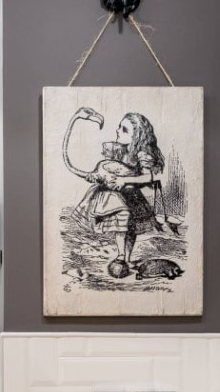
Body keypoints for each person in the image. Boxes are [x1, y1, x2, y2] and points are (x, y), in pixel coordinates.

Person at [71, 112, 165, 275]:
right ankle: (121, 256)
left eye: (124, 129)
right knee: (121, 225)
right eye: (119, 127)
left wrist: (124, 180)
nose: (118, 131)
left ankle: (127, 258)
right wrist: (97, 176)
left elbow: (148, 176)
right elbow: (106, 168)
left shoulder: (142, 153)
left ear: (137, 135)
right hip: (118, 196)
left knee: (131, 229)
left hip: (132, 195)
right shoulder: (119, 149)